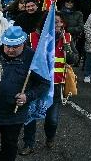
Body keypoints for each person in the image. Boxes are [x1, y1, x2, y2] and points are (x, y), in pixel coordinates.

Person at [0, 27, 49, 161]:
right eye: (7, 46)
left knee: (10, 144)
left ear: (23, 44)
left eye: (15, 47)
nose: (10, 50)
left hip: (15, 112)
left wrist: (28, 96)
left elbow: (44, 83)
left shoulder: (33, 57)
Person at [22, 14, 71, 153]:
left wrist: (66, 45)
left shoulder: (67, 38)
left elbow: (73, 59)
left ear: (63, 24)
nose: (55, 24)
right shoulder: (32, 37)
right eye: (52, 21)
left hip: (55, 84)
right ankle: (28, 144)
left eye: (58, 22)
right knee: (30, 114)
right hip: (34, 82)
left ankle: (50, 137)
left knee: (52, 119)